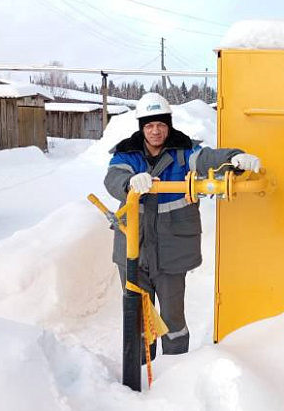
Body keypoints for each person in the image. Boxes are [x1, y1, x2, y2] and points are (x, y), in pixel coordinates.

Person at [104, 92, 260, 357]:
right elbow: (113, 177)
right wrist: (129, 183)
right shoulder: (126, 153)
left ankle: (177, 370)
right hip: (134, 249)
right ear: (142, 127)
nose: (156, 131)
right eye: (150, 125)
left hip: (171, 249)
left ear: (169, 125)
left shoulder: (184, 151)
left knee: (173, 315)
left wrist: (235, 159)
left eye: (161, 125)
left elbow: (208, 160)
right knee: (138, 315)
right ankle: (139, 369)